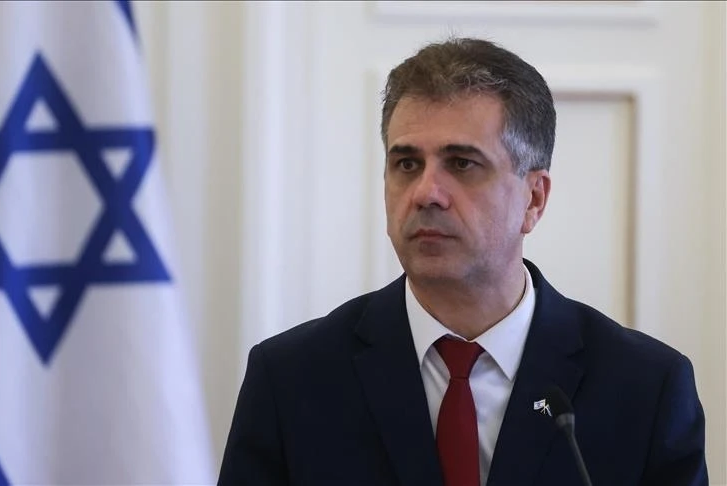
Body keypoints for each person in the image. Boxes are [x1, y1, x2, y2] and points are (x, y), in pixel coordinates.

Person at [218, 38, 707, 486]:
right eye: (407, 164)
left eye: (461, 163)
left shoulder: (645, 387)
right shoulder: (292, 379)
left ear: (534, 198)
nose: (426, 193)